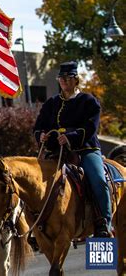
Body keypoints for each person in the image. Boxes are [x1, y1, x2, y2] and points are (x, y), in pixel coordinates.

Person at [33, 61, 111, 238]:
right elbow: (38, 127)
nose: (64, 81)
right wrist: (41, 136)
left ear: (76, 80)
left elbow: (91, 127)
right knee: (34, 181)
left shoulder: (89, 101)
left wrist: (70, 136)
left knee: (98, 180)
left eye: (68, 78)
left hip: (85, 149)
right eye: (61, 78)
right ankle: (37, 224)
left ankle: (103, 222)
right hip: (56, 152)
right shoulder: (51, 103)